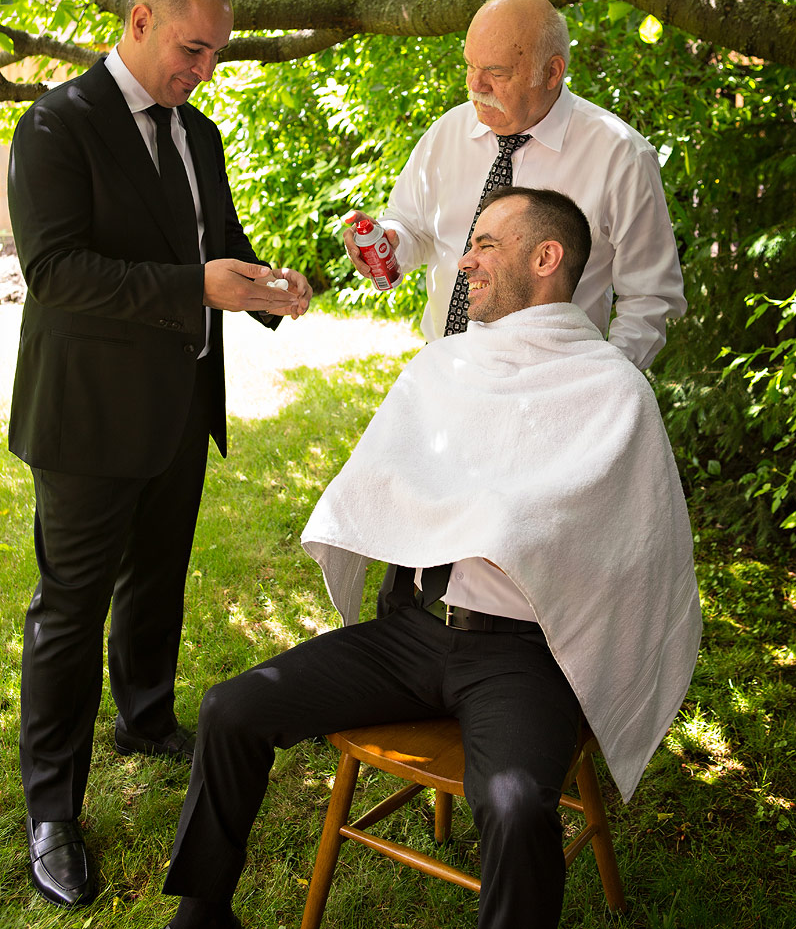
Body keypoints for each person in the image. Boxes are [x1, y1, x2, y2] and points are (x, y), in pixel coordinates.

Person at [159, 187, 701, 929]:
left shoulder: (611, 389)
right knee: (229, 709)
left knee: (512, 807)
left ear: (546, 260)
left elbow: (632, 550)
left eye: (485, 246)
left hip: (521, 657)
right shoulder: (445, 366)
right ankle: (201, 912)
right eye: (468, 244)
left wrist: (505, 518)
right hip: (411, 634)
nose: (466, 261)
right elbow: (385, 481)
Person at [7, 0, 313, 909]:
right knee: (69, 611)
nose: (204, 70)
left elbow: (213, 245)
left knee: (158, 579)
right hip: (87, 418)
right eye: (193, 48)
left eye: (216, 54)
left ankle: (142, 717)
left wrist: (269, 289)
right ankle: (52, 806)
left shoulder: (201, 132)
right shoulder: (54, 124)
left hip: (181, 406)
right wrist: (198, 288)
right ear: (140, 22)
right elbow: (56, 272)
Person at [343, 0, 686, 370]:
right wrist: (390, 241)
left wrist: (601, 383)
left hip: (553, 380)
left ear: (552, 72)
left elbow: (650, 298)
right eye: (470, 66)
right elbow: (411, 226)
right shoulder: (448, 132)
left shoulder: (619, 155)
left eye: (496, 72)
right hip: (443, 367)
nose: (476, 85)